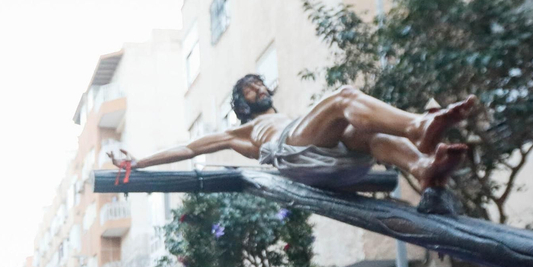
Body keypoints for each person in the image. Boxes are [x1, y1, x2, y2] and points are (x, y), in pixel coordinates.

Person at [111, 75, 475, 192]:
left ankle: (421, 166)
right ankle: (418, 127)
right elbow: (189, 148)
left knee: (362, 130)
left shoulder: (294, 116)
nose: (258, 89)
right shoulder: (243, 130)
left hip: (335, 160)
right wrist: (140, 162)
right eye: (249, 90)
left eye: (259, 83)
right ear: (241, 103)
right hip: (294, 156)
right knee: (344, 96)